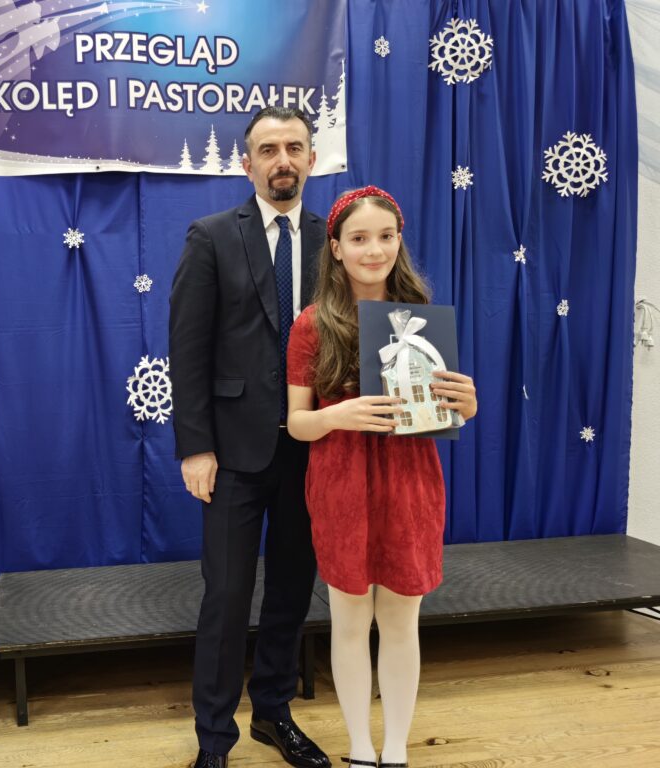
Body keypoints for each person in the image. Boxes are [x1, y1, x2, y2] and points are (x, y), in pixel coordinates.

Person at [286, 187, 478, 768]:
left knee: (400, 619)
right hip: (341, 483)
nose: (374, 250)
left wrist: (466, 405)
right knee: (349, 620)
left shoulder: (422, 317)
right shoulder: (312, 325)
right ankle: (361, 748)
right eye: (360, 238)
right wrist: (336, 415)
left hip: (409, 480)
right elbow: (296, 423)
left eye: (386, 237)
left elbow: (443, 409)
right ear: (336, 248)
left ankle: (395, 749)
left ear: (400, 241)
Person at [169, 106, 332, 768]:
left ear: (312, 158)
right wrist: (194, 446)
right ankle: (214, 740)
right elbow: (188, 349)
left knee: (292, 589)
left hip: (314, 449)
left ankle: (273, 711)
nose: (282, 159)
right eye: (268, 149)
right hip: (233, 452)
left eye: (294, 147)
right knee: (227, 598)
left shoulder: (336, 238)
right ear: (247, 164)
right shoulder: (210, 237)